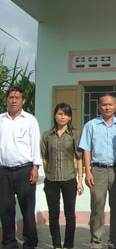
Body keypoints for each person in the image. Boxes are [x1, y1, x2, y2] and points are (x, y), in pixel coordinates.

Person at [79, 93, 116, 249]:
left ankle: (115, 242)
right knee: (97, 208)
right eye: (104, 104)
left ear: (115, 106)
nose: (107, 107)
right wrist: (88, 172)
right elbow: (86, 150)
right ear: (99, 107)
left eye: (110, 104)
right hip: (97, 170)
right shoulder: (90, 125)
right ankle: (96, 242)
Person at [0, 87, 41, 249]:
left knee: (27, 209)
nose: (14, 100)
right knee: (5, 209)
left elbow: (34, 144)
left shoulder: (30, 120)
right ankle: (9, 242)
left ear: (23, 100)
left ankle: (30, 242)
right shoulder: (1, 119)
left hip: (25, 170)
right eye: (11, 97)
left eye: (17, 97)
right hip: (3, 172)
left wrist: (35, 167)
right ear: (6, 100)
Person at [41, 103, 84, 249]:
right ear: (55, 116)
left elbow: (79, 158)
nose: (62, 116)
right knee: (53, 214)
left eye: (65, 114)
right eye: (60, 113)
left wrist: (80, 180)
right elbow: (45, 158)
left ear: (70, 117)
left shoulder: (74, 134)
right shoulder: (47, 135)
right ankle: (56, 245)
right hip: (51, 180)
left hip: (69, 179)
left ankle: (68, 245)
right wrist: (48, 174)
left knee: (70, 215)